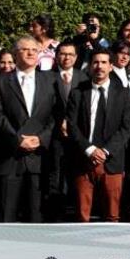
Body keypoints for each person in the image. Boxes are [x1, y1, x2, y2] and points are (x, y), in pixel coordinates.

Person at [0, 37, 57, 222]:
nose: (31, 53)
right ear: (15, 54)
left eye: (34, 50)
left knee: (36, 218)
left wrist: (41, 139)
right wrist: (18, 140)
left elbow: (55, 116)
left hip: (39, 160)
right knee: (6, 216)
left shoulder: (51, 80)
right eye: (25, 50)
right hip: (9, 158)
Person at [65, 48, 130, 222]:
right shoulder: (77, 92)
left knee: (112, 215)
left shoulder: (124, 93)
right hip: (83, 160)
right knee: (82, 215)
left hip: (112, 161)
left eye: (104, 62)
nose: (99, 66)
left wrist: (105, 151)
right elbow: (72, 125)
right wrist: (89, 149)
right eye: (96, 62)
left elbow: (126, 128)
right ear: (90, 66)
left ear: (111, 66)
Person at [50, 41, 87, 221]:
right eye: (63, 54)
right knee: (55, 173)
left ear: (76, 57)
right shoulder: (47, 77)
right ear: (57, 56)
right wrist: (59, 123)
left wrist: (71, 124)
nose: (66, 57)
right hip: (54, 134)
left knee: (76, 174)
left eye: (70, 54)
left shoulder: (83, 77)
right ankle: (55, 212)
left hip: (77, 134)